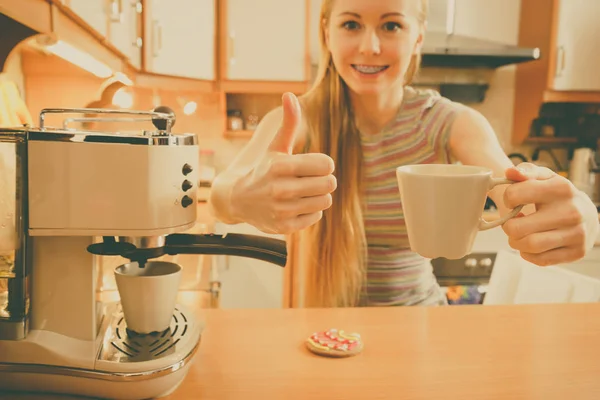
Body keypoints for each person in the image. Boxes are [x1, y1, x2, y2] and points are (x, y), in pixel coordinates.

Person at [209, 0, 599, 308]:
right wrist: (239, 199)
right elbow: (222, 191)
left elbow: (517, 197)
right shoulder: (297, 120)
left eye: (391, 25)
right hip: (321, 333)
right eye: (351, 24)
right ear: (326, 33)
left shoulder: (451, 123)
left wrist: (578, 217)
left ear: (417, 38)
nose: (370, 46)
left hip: (419, 323)